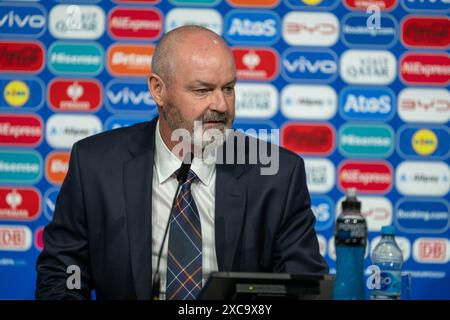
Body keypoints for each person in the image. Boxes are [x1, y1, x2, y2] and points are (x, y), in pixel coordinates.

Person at [36, 26, 328, 300]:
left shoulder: (276, 174)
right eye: (202, 90)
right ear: (158, 90)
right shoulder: (95, 166)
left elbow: (303, 285)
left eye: (228, 88)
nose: (222, 105)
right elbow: (63, 271)